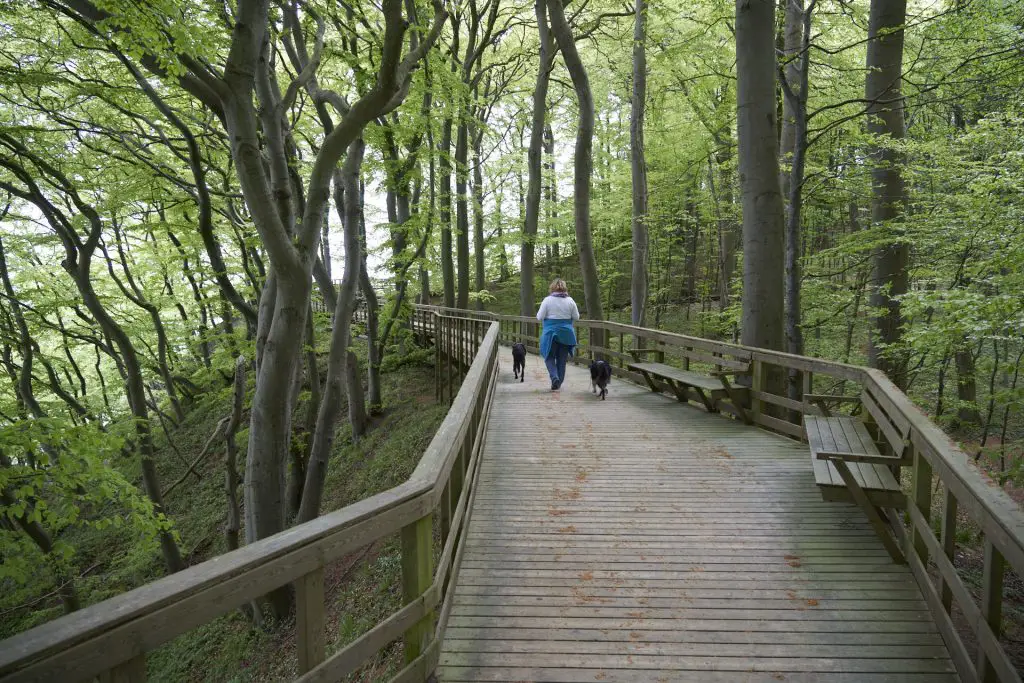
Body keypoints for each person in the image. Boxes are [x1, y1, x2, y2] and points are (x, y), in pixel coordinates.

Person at [536, 278, 580, 391]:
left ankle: (554, 377)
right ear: (564, 288)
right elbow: (576, 317)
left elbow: (539, 317)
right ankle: (558, 383)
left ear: (552, 288)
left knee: (549, 356)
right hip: (566, 334)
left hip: (551, 333)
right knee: (562, 360)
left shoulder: (547, 300)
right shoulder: (570, 301)